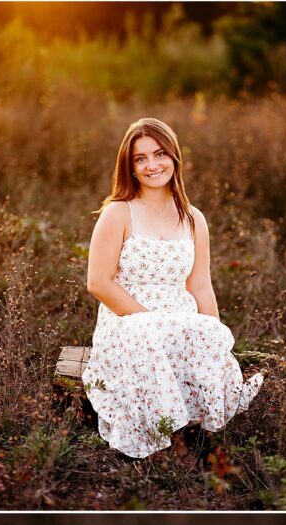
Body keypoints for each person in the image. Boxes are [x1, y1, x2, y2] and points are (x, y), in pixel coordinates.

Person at [84, 118, 262, 460]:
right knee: (146, 334)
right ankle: (165, 440)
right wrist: (151, 319)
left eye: (160, 154)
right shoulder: (118, 213)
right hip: (128, 320)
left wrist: (216, 334)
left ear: (175, 157)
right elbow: (98, 282)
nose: (152, 165)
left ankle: (193, 425)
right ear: (130, 167)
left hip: (181, 318)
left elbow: (200, 285)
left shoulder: (194, 219)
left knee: (209, 334)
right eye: (140, 158)